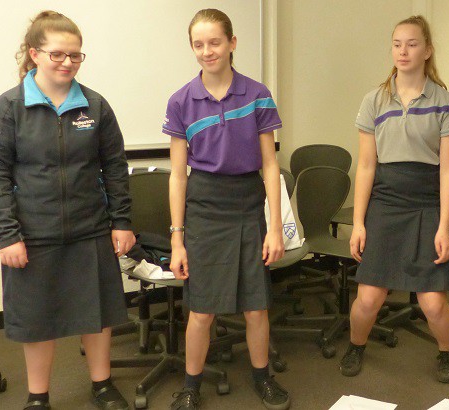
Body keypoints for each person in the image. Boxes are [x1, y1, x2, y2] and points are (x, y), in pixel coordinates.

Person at [0, 10, 134, 410]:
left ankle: (102, 386)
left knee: (97, 314)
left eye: (76, 55)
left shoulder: (96, 106)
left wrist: (121, 222)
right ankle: (38, 397)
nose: (68, 62)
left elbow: (115, 167)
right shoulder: (9, 108)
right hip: (33, 234)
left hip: (90, 229)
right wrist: (8, 235)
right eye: (58, 54)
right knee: (37, 320)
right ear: (34, 54)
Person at [163, 9, 288, 410]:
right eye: (198, 44)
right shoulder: (181, 101)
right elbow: (178, 175)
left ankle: (262, 379)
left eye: (214, 42)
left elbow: (270, 165)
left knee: (256, 306)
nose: (206, 51)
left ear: (232, 43)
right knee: (201, 310)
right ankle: (190, 386)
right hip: (204, 207)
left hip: (248, 203)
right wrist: (177, 238)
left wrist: (273, 227)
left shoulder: (257, 94)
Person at [340, 15, 449, 384]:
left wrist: (444, 226)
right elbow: (365, 166)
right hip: (386, 201)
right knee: (368, 299)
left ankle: (448, 352)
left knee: (432, 302)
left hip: (427, 203)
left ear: (427, 50)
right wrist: (359, 222)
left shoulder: (446, 102)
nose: (403, 51)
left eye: (412, 44)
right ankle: (356, 345)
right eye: (397, 44)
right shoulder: (374, 101)